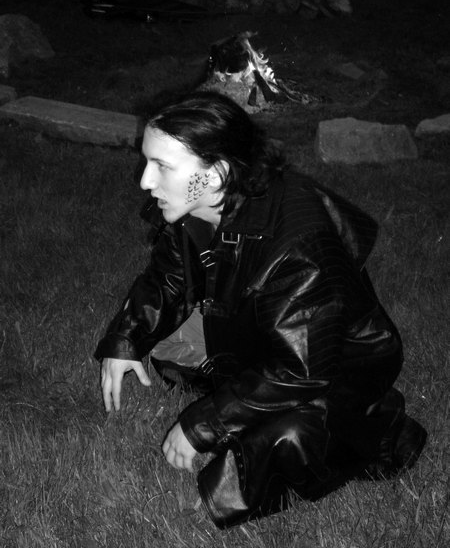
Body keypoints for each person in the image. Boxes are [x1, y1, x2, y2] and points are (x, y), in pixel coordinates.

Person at [95, 91, 427, 528]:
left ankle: (381, 431)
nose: (144, 181)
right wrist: (126, 340)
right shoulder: (203, 201)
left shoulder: (299, 248)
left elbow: (299, 370)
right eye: (147, 161)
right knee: (165, 346)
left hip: (333, 365)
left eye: (162, 166)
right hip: (262, 331)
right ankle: (242, 389)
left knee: (279, 445)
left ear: (216, 173)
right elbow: (169, 277)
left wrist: (201, 425)